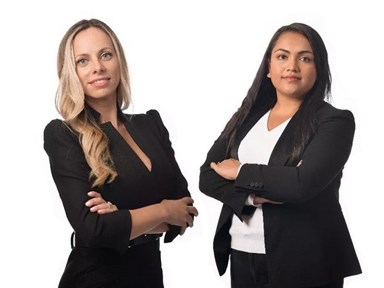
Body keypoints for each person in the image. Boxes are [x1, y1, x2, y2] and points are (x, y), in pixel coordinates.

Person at [199, 22, 361, 288]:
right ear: (268, 67)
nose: (292, 66)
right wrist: (255, 194)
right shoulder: (245, 117)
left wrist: (240, 171)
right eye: (282, 56)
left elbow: (302, 184)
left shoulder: (334, 122)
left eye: (305, 58)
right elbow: (208, 175)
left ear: (318, 68)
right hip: (242, 253)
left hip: (306, 260)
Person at [43, 18, 198, 288]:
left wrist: (122, 217)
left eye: (106, 55)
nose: (98, 67)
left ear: (119, 61)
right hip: (95, 277)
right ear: (71, 72)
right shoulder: (64, 134)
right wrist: (163, 210)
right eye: (83, 61)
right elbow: (93, 230)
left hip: (148, 275)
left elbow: (184, 210)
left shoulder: (151, 123)